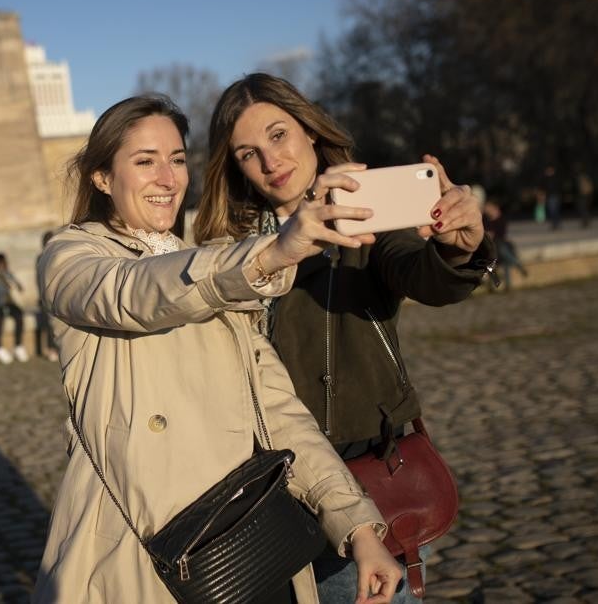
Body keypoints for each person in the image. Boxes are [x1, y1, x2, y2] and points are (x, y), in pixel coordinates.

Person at [34, 95, 401, 603]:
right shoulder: (72, 256)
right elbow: (132, 294)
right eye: (145, 162)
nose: (168, 178)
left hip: (248, 544)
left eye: (178, 159)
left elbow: (278, 413)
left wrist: (359, 528)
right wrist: (269, 253)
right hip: (147, 551)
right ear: (101, 177)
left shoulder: (210, 265)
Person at [194, 73, 496, 603]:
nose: (270, 161)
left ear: (309, 130)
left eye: (279, 135)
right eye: (248, 152)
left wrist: (458, 249)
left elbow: (418, 272)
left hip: (361, 479)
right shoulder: (228, 251)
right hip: (258, 496)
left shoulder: (365, 216)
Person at [482, 199, 528, 290]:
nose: (486, 210)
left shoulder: (501, 219)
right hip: (493, 248)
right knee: (499, 258)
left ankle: (506, 285)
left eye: (488, 208)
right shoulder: (485, 219)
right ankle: (518, 265)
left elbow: (500, 234)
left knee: (502, 253)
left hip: (499, 245)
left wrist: (492, 234)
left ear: (494, 208)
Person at [33, 230, 59, 362]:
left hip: (56, 294)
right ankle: (51, 349)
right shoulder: (42, 257)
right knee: (50, 324)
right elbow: (40, 279)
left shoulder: (56, 255)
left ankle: (56, 348)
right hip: (47, 295)